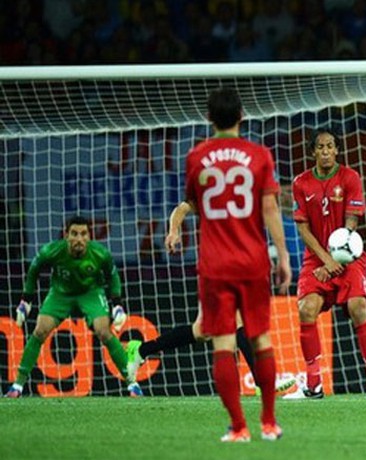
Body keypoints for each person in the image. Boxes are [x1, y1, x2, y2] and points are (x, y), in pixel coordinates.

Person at [173, 86, 291, 442]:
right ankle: (269, 422)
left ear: (209, 118)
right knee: (261, 339)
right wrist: (282, 255)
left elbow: (192, 204)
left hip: (214, 264)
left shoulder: (196, 157)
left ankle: (239, 427)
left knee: (222, 343)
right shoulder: (258, 155)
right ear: (242, 116)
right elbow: (270, 208)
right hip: (252, 261)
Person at [124, 203, 296, 396]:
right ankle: (263, 382)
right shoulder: (211, 191)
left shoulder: (243, 195)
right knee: (238, 320)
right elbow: (182, 209)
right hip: (214, 267)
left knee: (202, 331)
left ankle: (141, 350)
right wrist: (173, 231)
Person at [284, 127, 366, 401]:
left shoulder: (350, 177)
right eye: (320, 147)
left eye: (330, 146)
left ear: (337, 150)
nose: (326, 151)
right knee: (306, 309)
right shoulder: (301, 183)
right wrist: (326, 259)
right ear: (313, 152)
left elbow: (352, 219)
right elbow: (303, 229)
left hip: (348, 254)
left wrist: (337, 253)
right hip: (317, 258)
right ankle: (314, 386)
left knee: (358, 307)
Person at [4, 215, 143, 398]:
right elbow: (33, 270)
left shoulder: (100, 254)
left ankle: (132, 383)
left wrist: (117, 304)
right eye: (75, 234)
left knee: (104, 331)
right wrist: (25, 300)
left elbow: (113, 276)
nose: (79, 239)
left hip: (91, 293)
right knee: (39, 331)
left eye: (84, 234)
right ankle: (17, 386)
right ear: (66, 236)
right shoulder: (51, 251)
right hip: (61, 294)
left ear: (89, 236)